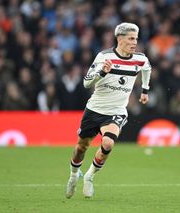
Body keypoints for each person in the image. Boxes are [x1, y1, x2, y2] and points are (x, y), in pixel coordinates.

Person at [65, 22, 152, 199]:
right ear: (120, 39)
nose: (135, 42)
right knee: (81, 147)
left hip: (116, 111)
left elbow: (147, 68)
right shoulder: (104, 56)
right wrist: (102, 73)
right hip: (94, 110)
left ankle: (89, 176)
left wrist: (144, 90)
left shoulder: (140, 58)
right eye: (131, 38)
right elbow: (86, 82)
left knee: (108, 143)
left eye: (136, 38)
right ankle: (74, 175)